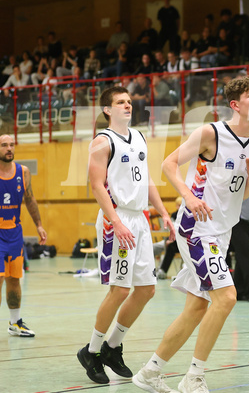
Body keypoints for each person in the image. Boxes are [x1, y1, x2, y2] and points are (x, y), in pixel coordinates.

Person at [132, 77, 249, 393]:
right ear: (235, 104)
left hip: (223, 231)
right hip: (195, 229)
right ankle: (194, 377)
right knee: (227, 297)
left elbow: (241, 196)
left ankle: (149, 374)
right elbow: (168, 164)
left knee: (196, 308)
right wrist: (189, 196)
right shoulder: (210, 133)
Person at [78, 87, 174, 385]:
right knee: (119, 290)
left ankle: (111, 347)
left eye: (130, 102)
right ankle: (91, 352)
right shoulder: (102, 141)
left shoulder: (140, 137)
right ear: (107, 109)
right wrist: (115, 220)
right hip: (116, 219)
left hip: (140, 219)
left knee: (146, 289)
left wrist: (165, 213)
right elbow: (95, 185)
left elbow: (147, 181)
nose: (127, 106)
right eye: (120, 102)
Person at [0, 134, 47, 338]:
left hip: (14, 234)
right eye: (4, 145)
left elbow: (29, 199)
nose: (9, 148)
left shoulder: (23, 172)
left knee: (14, 279)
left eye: (11, 145)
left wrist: (39, 225)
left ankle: (15, 323)